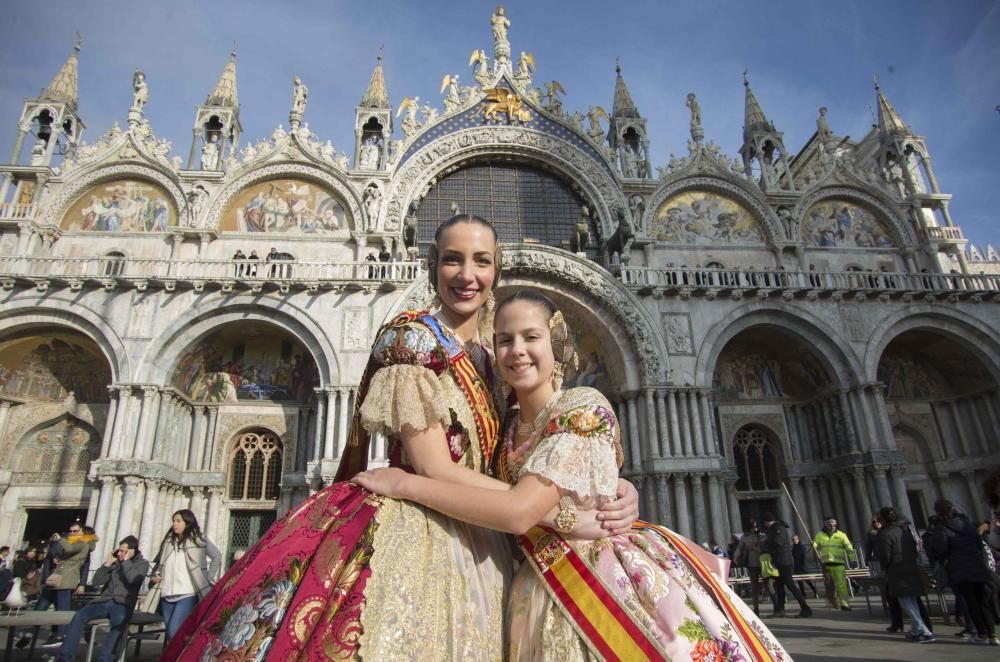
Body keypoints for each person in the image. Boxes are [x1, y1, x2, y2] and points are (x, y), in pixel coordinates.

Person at [162, 216, 638, 660]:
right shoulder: (413, 342)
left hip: (492, 534)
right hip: (427, 524)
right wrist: (561, 513)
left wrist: (612, 487)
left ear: (497, 270)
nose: (466, 274)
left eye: (481, 261)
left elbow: (539, 449)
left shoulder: (497, 360)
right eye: (452, 259)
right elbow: (434, 469)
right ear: (432, 265)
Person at [355, 290, 789, 659]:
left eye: (531, 337)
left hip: (599, 584)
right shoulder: (505, 427)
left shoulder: (582, 406)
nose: (516, 350)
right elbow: (495, 490)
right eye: (503, 340)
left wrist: (404, 482)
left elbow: (517, 510)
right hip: (531, 587)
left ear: (556, 342)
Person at [54, 535, 148, 662]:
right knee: (79, 616)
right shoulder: (115, 563)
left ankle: (105, 659)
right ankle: (65, 657)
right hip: (103, 600)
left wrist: (126, 562)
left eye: (123, 551)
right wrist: (107, 564)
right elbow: (96, 581)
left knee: (118, 623)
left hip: (122, 603)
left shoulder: (142, 564)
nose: (119, 553)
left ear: (132, 551)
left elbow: (133, 580)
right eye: (119, 550)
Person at [925, 500, 998, 645]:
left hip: (959, 568)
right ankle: (993, 635)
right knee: (982, 602)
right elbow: (979, 543)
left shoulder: (942, 528)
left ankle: (981, 634)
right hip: (977, 566)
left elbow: (940, 549)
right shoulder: (967, 525)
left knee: (971, 602)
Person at [150, 509, 222, 641]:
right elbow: (161, 564)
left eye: (178, 521)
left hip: (188, 592)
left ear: (187, 523)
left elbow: (217, 556)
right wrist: (158, 574)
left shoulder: (198, 540)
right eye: (173, 521)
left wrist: (207, 577)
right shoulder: (168, 542)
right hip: (166, 592)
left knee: (174, 631)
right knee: (172, 635)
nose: (174, 524)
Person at [876, 506, 935, 643]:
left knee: (906, 601)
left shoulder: (884, 533)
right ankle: (916, 629)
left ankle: (923, 630)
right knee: (912, 600)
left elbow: (885, 556)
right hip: (911, 567)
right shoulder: (905, 531)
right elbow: (916, 548)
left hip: (897, 571)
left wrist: (885, 567)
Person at [762, 512, 813, 618]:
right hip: (778, 561)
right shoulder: (774, 529)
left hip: (784, 561)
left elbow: (778, 542)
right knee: (779, 586)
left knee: (790, 585)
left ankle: (805, 608)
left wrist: (765, 542)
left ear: (767, 522)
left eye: (765, 523)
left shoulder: (779, 528)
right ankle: (780, 610)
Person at [814, 516, 856, 610]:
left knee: (842, 585)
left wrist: (853, 560)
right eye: (830, 525)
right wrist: (813, 544)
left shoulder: (841, 535)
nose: (833, 527)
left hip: (839, 564)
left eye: (834, 525)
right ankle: (833, 602)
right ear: (826, 525)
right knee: (829, 586)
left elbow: (849, 548)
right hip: (826, 565)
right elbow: (815, 544)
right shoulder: (819, 535)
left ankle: (844, 604)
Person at [734, 520, 771, 615]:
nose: (755, 528)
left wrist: (758, 548)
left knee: (769, 586)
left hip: (763, 564)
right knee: (754, 588)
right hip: (752, 565)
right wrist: (735, 557)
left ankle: (777, 606)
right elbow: (739, 548)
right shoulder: (745, 537)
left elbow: (768, 548)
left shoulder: (763, 536)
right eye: (753, 527)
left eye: (756, 527)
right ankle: (756, 609)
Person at [792, 533, 818, 598]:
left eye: (795, 539)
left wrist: (803, 566)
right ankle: (803, 594)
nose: (794, 541)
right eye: (793, 540)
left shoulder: (802, 546)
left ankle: (814, 591)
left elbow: (804, 556)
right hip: (797, 566)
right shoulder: (793, 548)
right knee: (799, 581)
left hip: (803, 566)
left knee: (807, 580)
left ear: (798, 539)